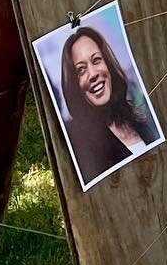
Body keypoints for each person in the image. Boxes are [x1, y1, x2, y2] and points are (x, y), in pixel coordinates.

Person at [59, 26, 160, 185]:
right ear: (73, 84)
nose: (92, 74)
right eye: (81, 70)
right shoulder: (81, 144)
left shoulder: (137, 117)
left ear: (108, 64)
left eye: (96, 60)